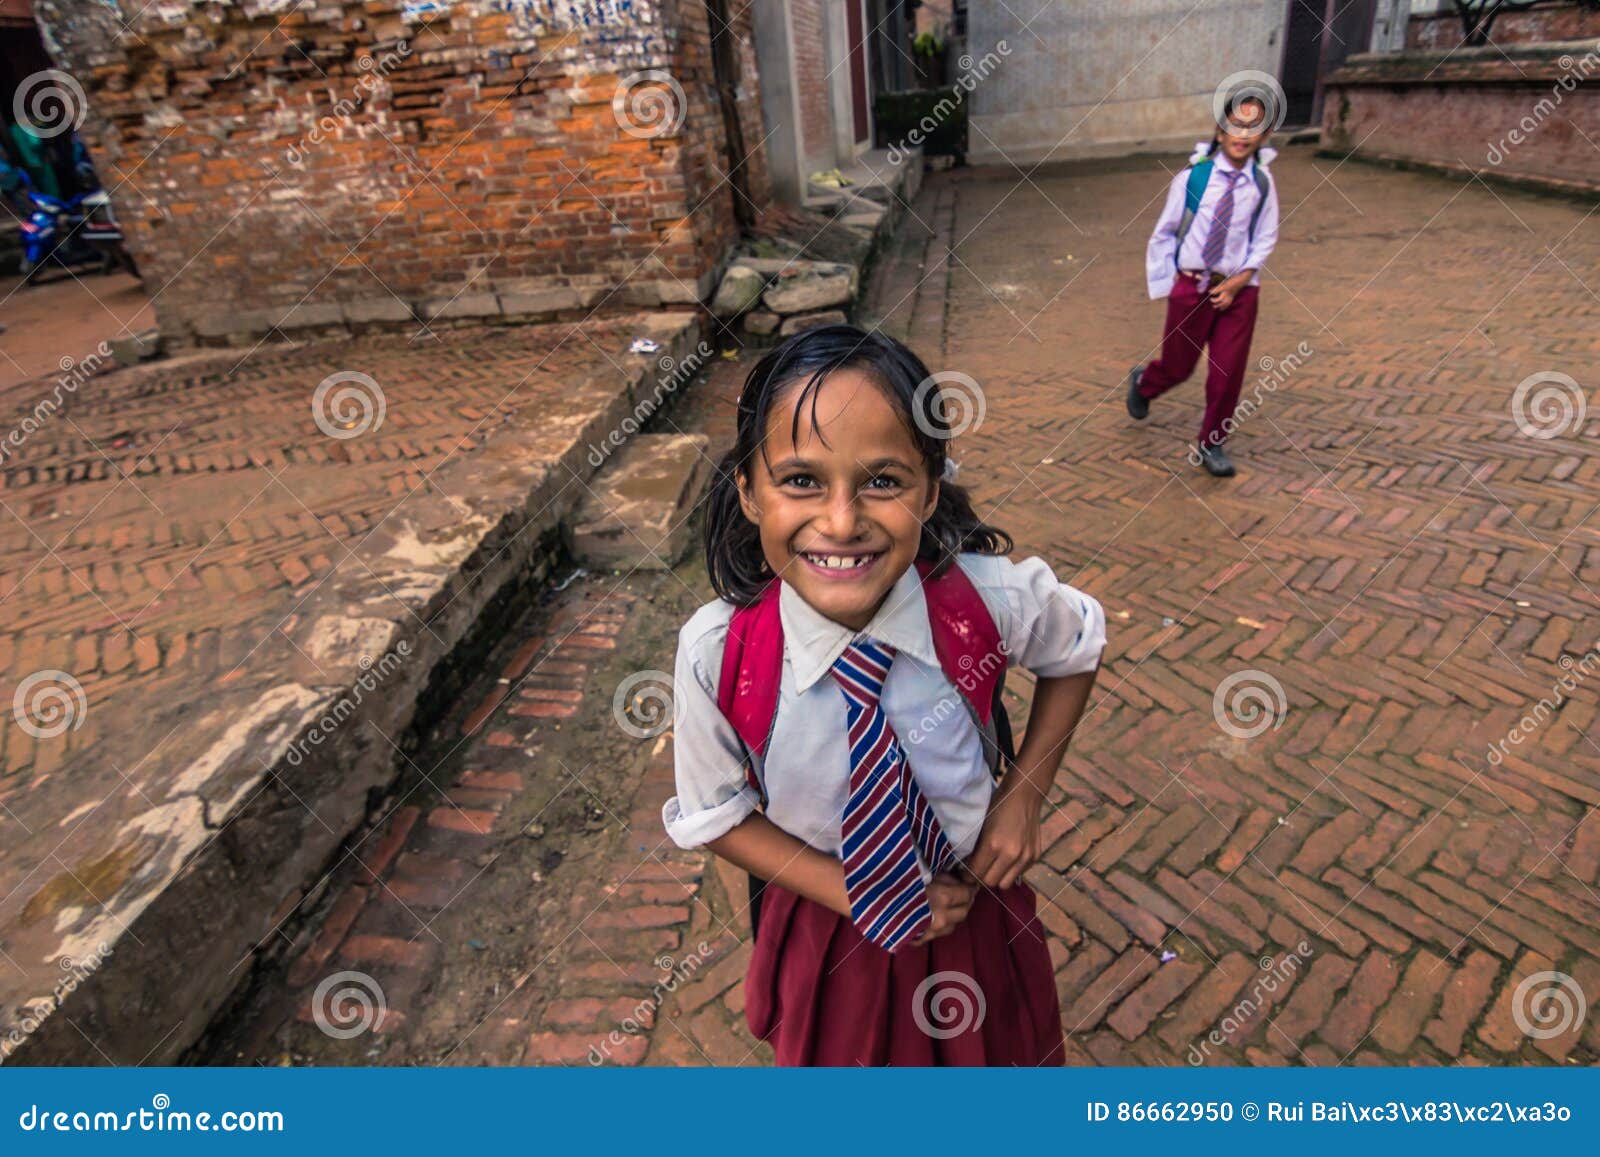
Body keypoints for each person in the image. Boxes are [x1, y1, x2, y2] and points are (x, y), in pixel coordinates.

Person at [663, 325, 1106, 1065]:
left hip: (973, 908)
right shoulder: (718, 654)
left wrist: (1024, 793)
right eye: (801, 479)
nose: (842, 521)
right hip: (832, 927)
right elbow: (715, 814)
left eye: (883, 480)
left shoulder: (984, 600)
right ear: (747, 490)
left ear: (929, 490)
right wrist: (852, 890)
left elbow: (1078, 646)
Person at [1128, 95, 1281, 477]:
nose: (1242, 134)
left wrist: (1238, 281)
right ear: (1219, 129)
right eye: (1235, 125)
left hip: (1240, 291)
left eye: (1252, 127)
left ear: (1265, 135)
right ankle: (1145, 383)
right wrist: (1167, 285)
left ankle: (1212, 442)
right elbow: (1163, 233)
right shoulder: (1193, 178)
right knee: (1179, 367)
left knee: (1227, 372)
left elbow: (1265, 237)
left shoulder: (1261, 184)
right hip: (1192, 287)